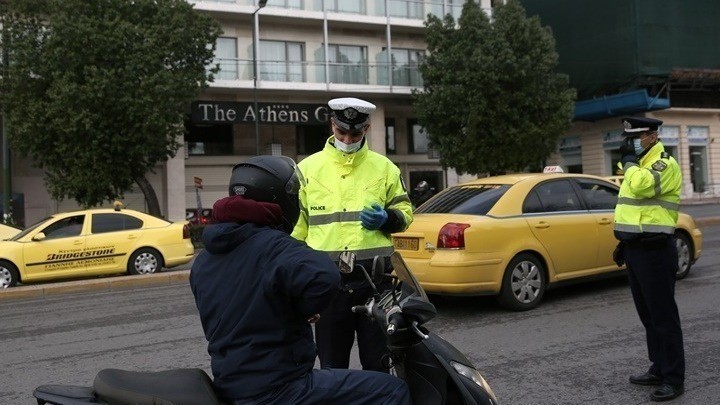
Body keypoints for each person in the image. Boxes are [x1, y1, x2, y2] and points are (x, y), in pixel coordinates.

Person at [190, 155, 411, 404]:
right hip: (282, 387)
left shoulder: (204, 260)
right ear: (279, 198)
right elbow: (325, 276)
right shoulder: (275, 246)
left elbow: (248, 300)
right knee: (392, 389)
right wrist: (302, 309)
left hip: (231, 384)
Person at [291, 97, 414, 372]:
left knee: (379, 365)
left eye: (355, 133)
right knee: (332, 368)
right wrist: (299, 288)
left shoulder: (385, 169)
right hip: (327, 286)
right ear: (331, 124)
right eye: (341, 131)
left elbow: (405, 213)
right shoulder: (307, 170)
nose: (348, 138)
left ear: (367, 129)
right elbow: (297, 233)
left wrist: (387, 219)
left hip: (376, 284)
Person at [612, 116, 685, 402]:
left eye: (636, 137)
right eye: (628, 139)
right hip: (637, 249)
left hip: (656, 251)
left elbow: (642, 187)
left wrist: (628, 163)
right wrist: (624, 242)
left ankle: (674, 378)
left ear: (652, 136)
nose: (631, 143)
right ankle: (659, 367)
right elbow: (633, 211)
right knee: (648, 316)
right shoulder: (638, 167)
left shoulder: (664, 164)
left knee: (664, 317)